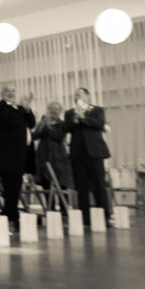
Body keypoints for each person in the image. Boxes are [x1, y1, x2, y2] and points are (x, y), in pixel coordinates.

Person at [64, 87, 111, 227]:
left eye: (80, 94)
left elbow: (99, 124)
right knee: (81, 186)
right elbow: (66, 128)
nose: (77, 96)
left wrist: (84, 117)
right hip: (78, 154)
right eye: (75, 94)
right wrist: (75, 120)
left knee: (99, 184)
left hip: (95, 152)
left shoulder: (97, 110)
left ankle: (104, 216)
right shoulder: (70, 113)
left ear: (88, 96)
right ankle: (85, 218)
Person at [0, 85, 35, 225]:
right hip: (6, 154)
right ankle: (11, 216)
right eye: (8, 91)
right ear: (3, 93)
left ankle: (11, 214)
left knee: (17, 186)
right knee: (9, 186)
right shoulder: (0, 106)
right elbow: (12, 121)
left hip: (19, 154)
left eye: (13, 91)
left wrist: (27, 109)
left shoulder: (20, 109)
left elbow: (32, 123)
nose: (11, 93)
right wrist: (22, 109)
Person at [33, 100, 72, 211]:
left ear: (60, 111)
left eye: (56, 109)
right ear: (48, 110)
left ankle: (64, 211)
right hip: (44, 156)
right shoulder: (43, 122)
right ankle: (50, 210)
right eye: (51, 109)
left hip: (59, 158)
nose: (54, 111)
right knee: (46, 184)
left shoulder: (62, 124)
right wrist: (41, 125)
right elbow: (35, 136)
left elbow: (59, 136)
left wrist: (48, 126)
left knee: (61, 185)